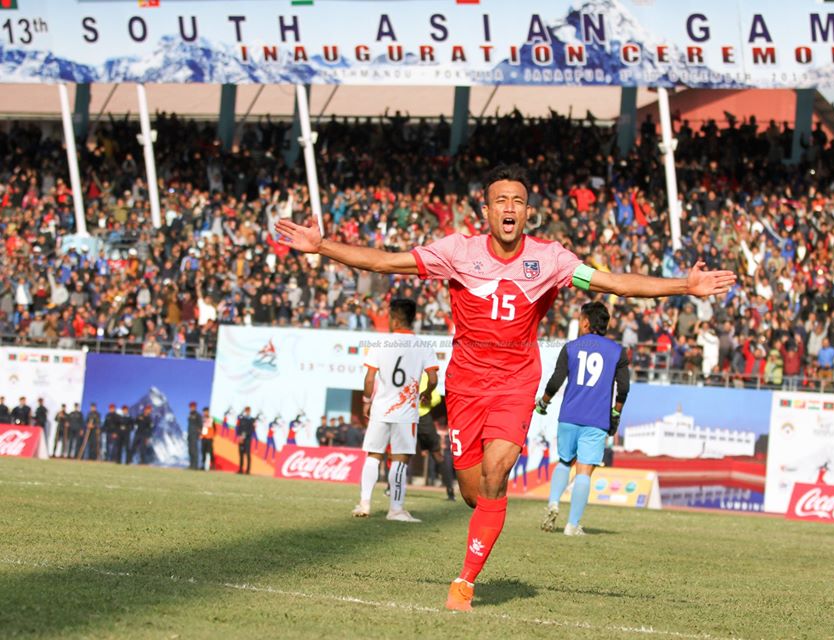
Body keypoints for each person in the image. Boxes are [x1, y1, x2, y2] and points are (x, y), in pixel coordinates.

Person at [276, 164, 735, 611]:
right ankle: (489, 514)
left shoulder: (551, 260)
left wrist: (685, 286)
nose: (509, 207)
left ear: (528, 212)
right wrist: (322, 246)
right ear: (487, 211)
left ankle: (464, 583)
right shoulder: (457, 251)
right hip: (465, 386)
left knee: (495, 477)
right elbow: (383, 261)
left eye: (518, 201)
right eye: (501, 200)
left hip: (515, 384)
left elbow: (615, 284)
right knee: (476, 493)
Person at [536, 302, 630, 536]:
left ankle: (553, 502)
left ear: (586, 322)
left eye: (580, 320)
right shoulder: (617, 351)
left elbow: (556, 381)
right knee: (584, 470)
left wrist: (544, 402)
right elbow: (624, 388)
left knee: (564, 462)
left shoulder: (571, 347)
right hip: (596, 419)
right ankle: (572, 525)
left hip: (569, 416)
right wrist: (615, 414)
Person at [353, 298, 439, 522]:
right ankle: (396, 510)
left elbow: (369, 379)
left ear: (395, 319)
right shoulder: (423, 346)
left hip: (381, 409)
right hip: (406, 412)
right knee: (400, 459)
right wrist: (427, 392)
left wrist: (366, 400)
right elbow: (433, 378)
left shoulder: (381, 343)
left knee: (373, 456)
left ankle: (364, 503)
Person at [417, 374, 455, 501]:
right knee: (401, 454)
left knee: (437, 453)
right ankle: (390, 488)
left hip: (423, 418)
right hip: (407, 418)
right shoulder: (407, 373)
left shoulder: (424, 376)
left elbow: (437, 398)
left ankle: (450, 491)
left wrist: (427, 400)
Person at [236, 406, 255, 474]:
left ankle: (248, 470)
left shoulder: (252, 420)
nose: (247, 412)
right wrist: (239, 436)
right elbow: (239, 428)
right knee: (241, 453)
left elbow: (252, 430)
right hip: (241, 439)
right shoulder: (242, 419)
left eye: (248, 411)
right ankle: (240, 469)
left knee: (247, 454)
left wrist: (245, 435)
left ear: (250, 411)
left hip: (247, 439)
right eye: (246, 411)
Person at [187, 401, 202, 470]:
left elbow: (200, 425)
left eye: (193, 407)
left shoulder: (198, 415)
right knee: (190, 450)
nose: (191, 408)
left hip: (195, 434)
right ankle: (191, 465)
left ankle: (195, 466)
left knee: (194, 450)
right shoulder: (189, 415)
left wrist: (199, 434)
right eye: (191, 407)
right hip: (190, 434)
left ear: (195, 407)